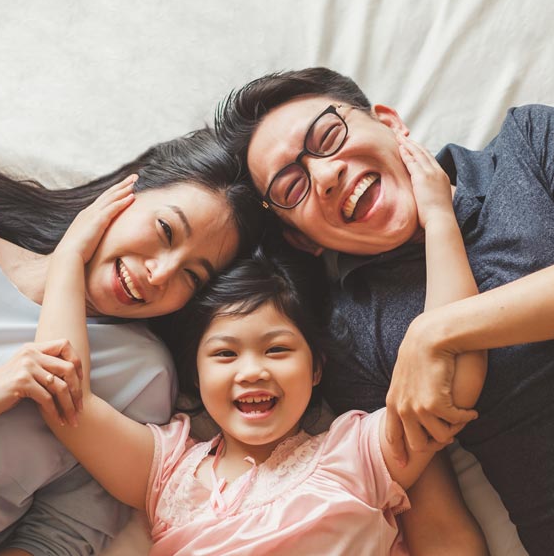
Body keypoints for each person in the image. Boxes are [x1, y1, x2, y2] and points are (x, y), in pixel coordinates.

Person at [30, 144, 487, 556]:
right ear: (194, 376)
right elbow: (65, 394)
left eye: (277, 351)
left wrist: (440, 220)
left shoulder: (357, 454)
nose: (252, 371)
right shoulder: (167, 472)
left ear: (316, 369)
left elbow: (451, 373)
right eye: (225, 355)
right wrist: (69, 256)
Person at [215, 66, 554, 555]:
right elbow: (438, 524)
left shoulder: (529, 141)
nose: (326, 174)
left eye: (328, 135)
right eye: (292, 187)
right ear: (300, 239)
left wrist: (436, 333)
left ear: (391, 123)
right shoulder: (350, 336)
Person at [0, 128, 262, 555]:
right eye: (166, 231)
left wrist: (69, 261)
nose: (160, 273)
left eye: (193, 275)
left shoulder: (141, 376)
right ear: (127, 191)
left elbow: (61, 535)